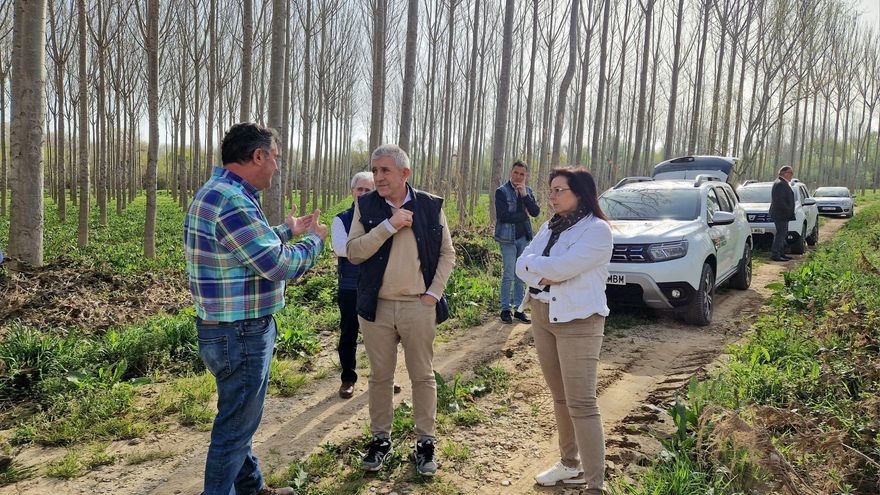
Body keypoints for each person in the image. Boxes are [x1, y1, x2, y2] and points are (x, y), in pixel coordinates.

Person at [184, 122, 327, 495]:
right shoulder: (232, 200)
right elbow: (276, 265)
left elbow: (244, 248)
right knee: (234, 429)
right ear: (258, 155)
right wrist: (314, 242)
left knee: (239, 419)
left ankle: (251, 488)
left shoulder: (217, 193)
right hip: (241, 332)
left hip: (223, 330)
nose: (277, 166)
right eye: (275, 157)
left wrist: (286, 231)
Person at [346, 144, 455, 476]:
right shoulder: (365, 205)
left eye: (385, 170)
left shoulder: (430, 205)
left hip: (418, 306)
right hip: (376, 308)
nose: (378, 177)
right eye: (374, 170)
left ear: (405, 173)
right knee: (380, 377)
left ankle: (426, 442)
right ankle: (381, 440)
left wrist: (433, 294)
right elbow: (354, 252)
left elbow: (447, 253)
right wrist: (388, 226)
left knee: (422, 375)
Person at [515, 167, 612, 493]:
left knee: (581, 403)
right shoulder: (549, 226)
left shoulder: (597, 230)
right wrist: (543, 271)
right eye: (551, 190)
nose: (552, 197)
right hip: (543, 315)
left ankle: (595, 484)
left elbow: (561, 268)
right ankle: (570, 465)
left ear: (580, 193)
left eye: (559, 190)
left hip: (578, 321)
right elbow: (520, 264)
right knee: (560, 398)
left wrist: (541, 269)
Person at [331, 172, 403, 399]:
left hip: (380, 284)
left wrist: (362, 246)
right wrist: (374, 242)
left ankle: (385, 376)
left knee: (385, 334)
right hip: (351, 285)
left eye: (367, 190)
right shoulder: (341, 219)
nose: (363, 194)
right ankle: (348, 378)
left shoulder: (386, 216)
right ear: (352, 191)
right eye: (359, 189)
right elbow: (341, 249)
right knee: (349, 332)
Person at [494, 160, 540, 324]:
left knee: (521, 273)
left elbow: (535, 212)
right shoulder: (501, 191)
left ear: (526, 175)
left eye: (522, 174)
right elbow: (503, 216)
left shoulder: (528, 191)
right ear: (511, 172)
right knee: (508, 274)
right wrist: (523, 215)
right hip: (507, 239)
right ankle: (505, 309)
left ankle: (519, 309)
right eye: (516, 173)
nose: (518, 177)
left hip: (524, 238)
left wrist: (525, 196)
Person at [770, 165, 795, 262]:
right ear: (784, 173)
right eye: (790, 173)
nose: (792, 175)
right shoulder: (780, 183)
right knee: (780, 234)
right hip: (781, 214)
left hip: (783, 214)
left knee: (783, 234)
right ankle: (775, 254)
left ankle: (781, 253)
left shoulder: (783, 183)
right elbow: (779, 200)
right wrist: (788, 209)